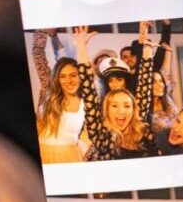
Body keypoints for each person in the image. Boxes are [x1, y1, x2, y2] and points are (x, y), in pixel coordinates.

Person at [75, 24, 157, 160]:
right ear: (106, 109)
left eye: (126, 106)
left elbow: (145, 84)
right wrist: (81, 48)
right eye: (114, 106)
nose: (121, 111)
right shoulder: (101, 134)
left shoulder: (141, 127)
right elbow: (88, 90)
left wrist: (146, 46)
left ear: (134, 109)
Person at [32, 30, 86, 163]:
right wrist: (42, 29)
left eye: (73, 75)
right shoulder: (48, 93)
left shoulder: (87, 102)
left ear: (80, 76)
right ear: (57, 79)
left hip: (72, 157)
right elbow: (38, 54)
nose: (69, 81)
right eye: (63, 77)